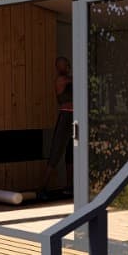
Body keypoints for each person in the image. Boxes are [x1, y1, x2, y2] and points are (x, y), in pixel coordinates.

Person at [40, 57, 74, 199]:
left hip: (75, 118)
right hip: (65, 117)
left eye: (64, 65)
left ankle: (70, 186)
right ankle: (42, 188)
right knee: (56, 151)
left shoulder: (69, 78)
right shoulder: (61, 80)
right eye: (59, 65)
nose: (62, 68)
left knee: (71, 153)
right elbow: (77, 80)